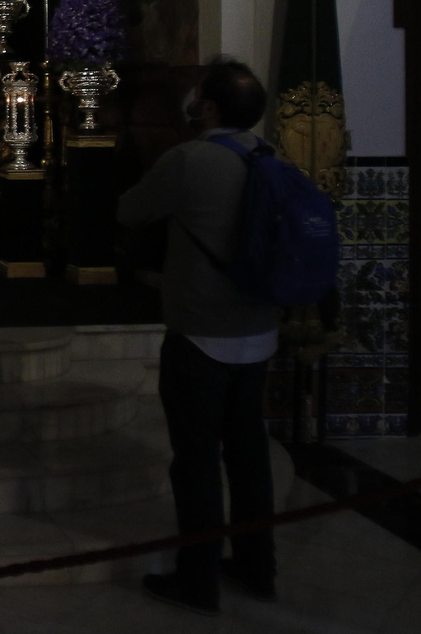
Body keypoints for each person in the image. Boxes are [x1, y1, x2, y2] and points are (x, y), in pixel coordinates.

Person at [117, 57, 280, 616]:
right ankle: (259, 569)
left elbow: (131, 210)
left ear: (207, 106)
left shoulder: (190, 160)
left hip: (201, 336)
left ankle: (199, 579)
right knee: (248, 454)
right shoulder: (269, 157)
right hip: (259, 334)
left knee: (196, 460)